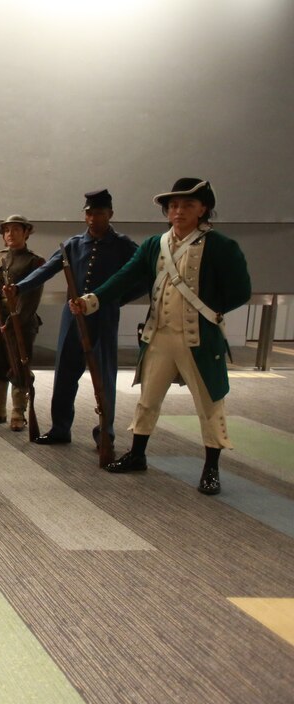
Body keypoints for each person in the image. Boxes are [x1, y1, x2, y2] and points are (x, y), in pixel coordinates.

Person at [71, 179, 251, 495]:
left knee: (210, 404)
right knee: (147, 400)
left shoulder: (221, 246)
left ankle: (211, 468)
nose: (178, 211)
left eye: (187, 205)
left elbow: (240, 291)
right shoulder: (157, 244)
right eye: (173, 206)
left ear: (203, 209)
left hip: (199, 338)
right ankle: (138, 454)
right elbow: (125, 276)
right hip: (159, 335)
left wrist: (212, 311)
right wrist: (93, 299)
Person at [11, 189, 142, 446]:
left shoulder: (122, 245)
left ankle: (106, 432)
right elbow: (47, 270)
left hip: (103, 319)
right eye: (90, 213)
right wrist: (19, 287)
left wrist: (116, 300)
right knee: (65, 374)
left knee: (104, 375)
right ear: (84, 215)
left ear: (110, 214)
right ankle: (60, 427)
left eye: (100, 213)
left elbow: (144, 276)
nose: (94, 218)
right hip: (72, 318)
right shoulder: (73, 245)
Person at [0, 215, 44, 430]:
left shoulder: (34, 261)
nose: (10, 234)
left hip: (20, 323)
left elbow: (31, 297)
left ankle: (18, 413)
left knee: (19, 366)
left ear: (26, 233)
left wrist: (15, 321)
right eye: (7, 230)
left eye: (16, 229)